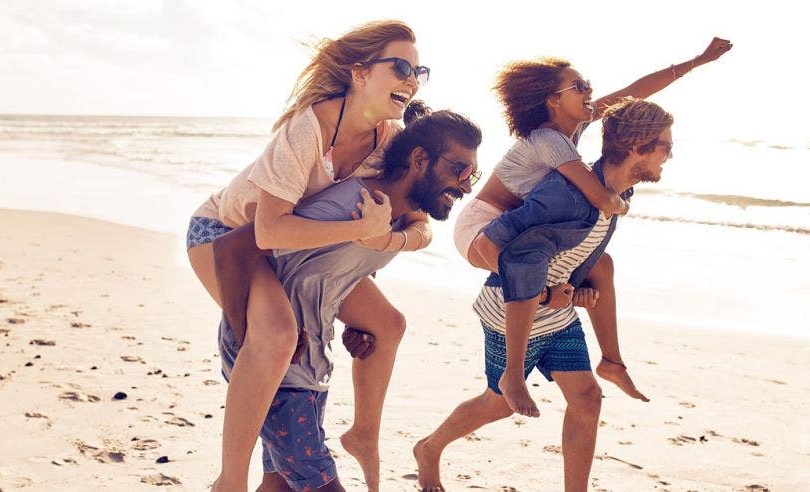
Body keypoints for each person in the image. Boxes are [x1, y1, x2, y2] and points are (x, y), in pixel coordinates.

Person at [186, 20, 434, 490]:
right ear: (360, 73)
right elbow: (268, 229)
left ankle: (360, 435)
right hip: (226, 238)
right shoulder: (308, 128)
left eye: (419, 72)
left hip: (296, 256)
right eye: (400, 66)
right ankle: (230, 479)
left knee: (387, 324)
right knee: (278, 338)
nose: (411, 80)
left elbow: (418, 223)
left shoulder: (391, 143)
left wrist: (389, 242)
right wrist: (361, 228)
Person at [453, 37, 733, 416]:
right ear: (554, 100)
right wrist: (620, 204)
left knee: (600, 267)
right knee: (532, 275)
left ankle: (612, 363)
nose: (590, 91)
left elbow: (632, 93)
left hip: (512, 224)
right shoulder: (549, 140)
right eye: (579, 87)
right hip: (482, 228)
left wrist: (697, 61)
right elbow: (600, 198)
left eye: (588, 85)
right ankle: (514, 375)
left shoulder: (573, 130)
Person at [214, 105, 482, 491]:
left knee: (280, 486)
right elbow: (232, 250)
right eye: (458, 170)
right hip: (279, 363)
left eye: (472, 174)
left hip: (312, 364)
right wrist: (248, 342)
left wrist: (358, 324)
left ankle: (363, 434)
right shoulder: (349, 206)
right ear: (419, 159)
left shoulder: (395, 216)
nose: (466, 185)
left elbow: (333, 272)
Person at [415, 98, 674, 491]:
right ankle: (430, 449)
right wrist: (547, 291)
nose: (670, 156)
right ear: (638, 147)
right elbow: (489, 248)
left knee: (587, 399)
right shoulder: (564, 193)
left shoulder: (617, 195)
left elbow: (577, 253)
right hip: (511, 309)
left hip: (557, 313)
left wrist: (579, 288)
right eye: (665, 147)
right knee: (498, 403)